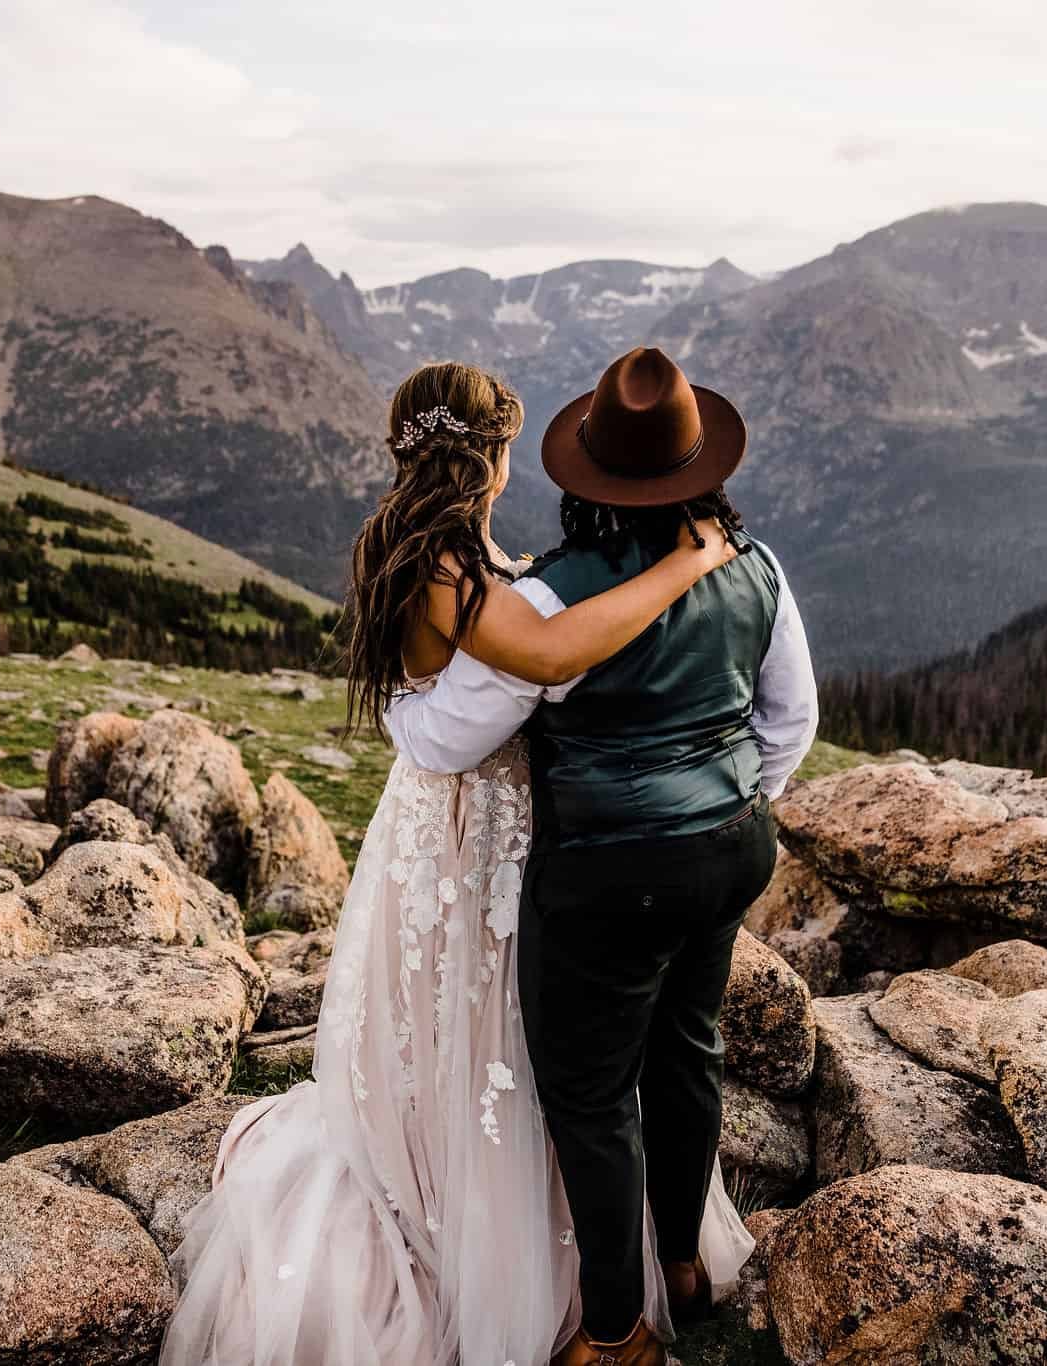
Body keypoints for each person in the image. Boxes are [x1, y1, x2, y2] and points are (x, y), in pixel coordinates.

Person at [160, 360, 748, 1366]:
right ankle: (486, 1236)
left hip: (479, 821)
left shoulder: (444, 549)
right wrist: (688, 568)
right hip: (470, 832)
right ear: (498, 452)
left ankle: (533, 1223)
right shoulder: (442, 559)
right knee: (485, 1029)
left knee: (506, 1035)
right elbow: (553, 656)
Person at [386, 346, 818, 1366]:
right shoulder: (754, 564)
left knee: (586, 1091)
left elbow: (452, 739)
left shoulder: (546, 604)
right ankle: (680, 1259)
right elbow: (789, 717)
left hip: (607, 872)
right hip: (732, 845)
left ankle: (618, 1330)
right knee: (686, 1046)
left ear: (586, 476)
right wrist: (729, 806)